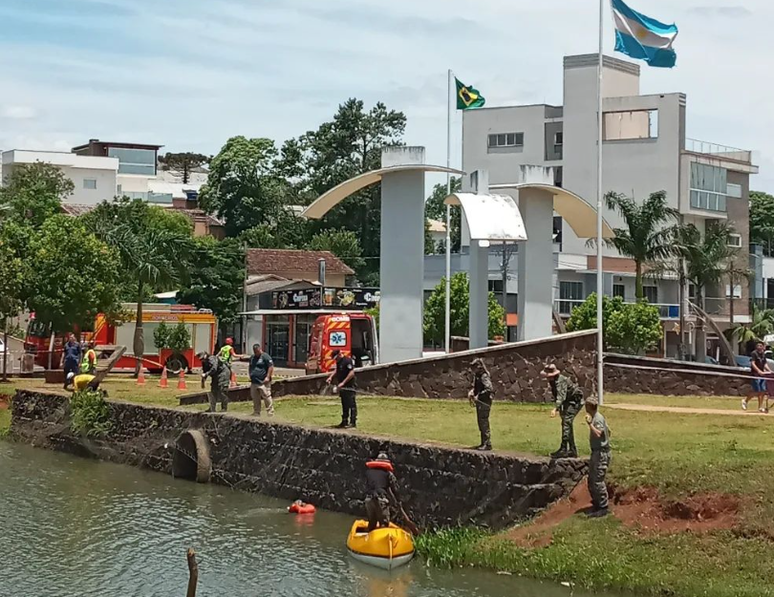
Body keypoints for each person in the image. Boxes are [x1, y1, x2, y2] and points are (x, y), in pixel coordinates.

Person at [542, 363, 584, 458]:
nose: (547, 378)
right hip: (567, 402)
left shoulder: (561, 381)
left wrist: (555, 409)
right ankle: (572, 450)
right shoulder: (553, 382)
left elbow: (561, 397)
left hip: (574, 402)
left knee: (566, 423)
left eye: (548, 376)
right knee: (567, 424)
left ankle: (564, 449)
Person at [584, 395, 611, 517]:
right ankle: (596, 503)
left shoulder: (597, 419)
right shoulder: (598, 417)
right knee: (592, 479)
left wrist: (590, 424)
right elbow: (608, 431)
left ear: (589, 407)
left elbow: (599, 433)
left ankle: (603, 507)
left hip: (601, 453)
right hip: (596, 452)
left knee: (598, 481)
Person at [364, 452, 400, 532]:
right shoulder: (388, 474)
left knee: (372, 523)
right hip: (381, 500)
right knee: (384, 523)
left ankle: (370, 539)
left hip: (369, 499)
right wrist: (397, 501)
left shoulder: (368, 472)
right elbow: (395, 489)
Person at [468, 358, 493, 451]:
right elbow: (476, 388)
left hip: (484, 402)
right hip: (480, 402)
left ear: (478, 367)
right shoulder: (477, 376)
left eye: (473, 368)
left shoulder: (484, 376)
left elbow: (489, 389)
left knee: (484, 422)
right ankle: (483, 442)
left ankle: (487, 443)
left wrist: (478, 396)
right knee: (480, 422)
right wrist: (472, 393)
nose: (472, 370)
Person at [327, 349, 356, 428]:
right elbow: (337, 370)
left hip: (349, 386)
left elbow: (351, 373)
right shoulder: (339, 362)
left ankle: (353, 422)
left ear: (340, 354)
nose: (336, 360)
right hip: (342, 387)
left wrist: (343, 382)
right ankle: (344, 421)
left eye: (336, 358)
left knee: (351, 404)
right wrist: (330, 377)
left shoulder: (347, 361)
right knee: (344, 404)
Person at [744, 341, 772, 413]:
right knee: (756, 391)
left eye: (760, 346)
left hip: (763, 375)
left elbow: (765, 364)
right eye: (758, 346)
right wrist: (758, 371)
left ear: (763, 347)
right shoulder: (754, 353)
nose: (759, 347)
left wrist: (769, 371)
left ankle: (760, 407)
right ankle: (745, 400)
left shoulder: (763, 354)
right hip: (755, 374)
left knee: (762, 391)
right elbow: (753, 363)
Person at [249, 343, 274, 417]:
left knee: (266, 396)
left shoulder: (265, 356)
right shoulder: (252, 357)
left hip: (263, 381)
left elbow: (271, 366)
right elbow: (250, 366)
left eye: (257, 351)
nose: (256, 353)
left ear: (260, 349)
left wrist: (268, 377)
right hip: (254, 381)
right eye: (254, 351)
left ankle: (270, 412)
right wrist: (250, 374)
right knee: (255, 398)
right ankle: (256, 412)